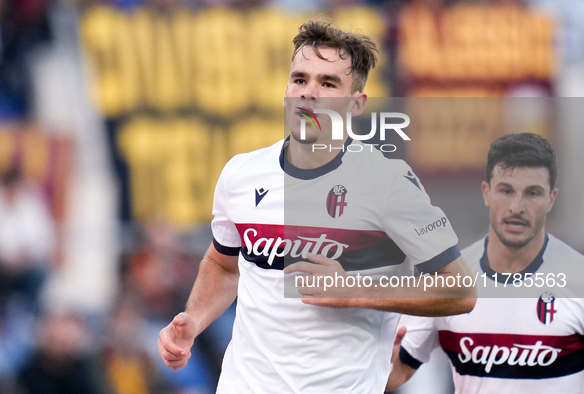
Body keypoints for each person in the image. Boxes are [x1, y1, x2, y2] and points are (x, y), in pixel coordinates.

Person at [158, 20, 475, 393]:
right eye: (299, 79)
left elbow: (460, 290)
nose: (309, 93)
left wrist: (353, 291)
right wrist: (194, 320)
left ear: (356, 104)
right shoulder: (241, 174)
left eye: (327, 83)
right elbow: (223, 265)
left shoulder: (389, 184)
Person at [386, 133, 584, 393]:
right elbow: (395, 376)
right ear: (486, 192)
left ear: (551, 199)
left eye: (533, 193)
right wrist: (381, 363)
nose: (517, 206)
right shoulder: (448, 281)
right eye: (506, 190)